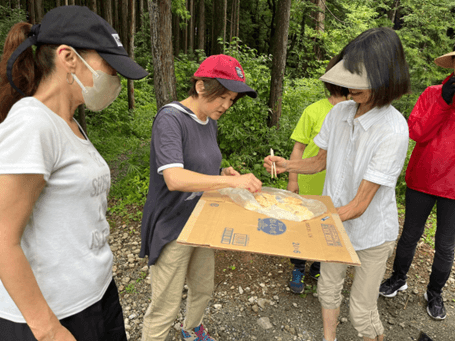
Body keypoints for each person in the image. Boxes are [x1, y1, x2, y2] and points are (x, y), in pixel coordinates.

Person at [0, 6, 148, 341]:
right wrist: (49, 329)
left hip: (95, 297)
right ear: (68, 57)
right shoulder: (32, 124)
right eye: (109, 66)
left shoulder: (69, 124)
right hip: (57, 315)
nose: (115, 78)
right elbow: (2, 237)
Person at [264, 27, 410, 341]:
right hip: (334, 223)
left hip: (370, 232)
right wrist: (287, 164)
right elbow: (319, 161)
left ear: (386, 78)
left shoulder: (393, 130)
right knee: (327, 289)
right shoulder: (339, 112)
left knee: (361, 311)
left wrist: (309, 218)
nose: (348, 89)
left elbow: (359, 205)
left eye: (359, 82)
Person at [140, 54, 262, 341]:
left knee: (203, 287)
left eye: (232, 100)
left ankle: (192, 330)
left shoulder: (210, 121)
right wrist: (227, 181)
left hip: (203, 220)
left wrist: (224, 172)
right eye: (223, 96)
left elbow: (200, 166)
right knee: (165, 307)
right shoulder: (170, 119)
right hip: (173, 226)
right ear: (200, 86)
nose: (226, 105)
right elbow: (175, 178)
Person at [379, 48, 455, 320]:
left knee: (446, 246)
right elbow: (417, 132)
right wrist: (443, 103)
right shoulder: (433, 94)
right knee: (410, 235)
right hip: (422, 178)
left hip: (454, 189)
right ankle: (398, 278)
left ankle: (434, 293)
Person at [287, 56, 348, 294]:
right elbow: (299, 147)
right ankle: (298, 267)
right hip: (310, 181)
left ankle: (318, 266)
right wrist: (293, 179)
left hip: (337, 187)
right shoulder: (313, 111)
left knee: (329, 226)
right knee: (303, 227)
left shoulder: (357, 113)